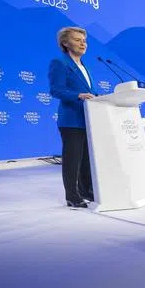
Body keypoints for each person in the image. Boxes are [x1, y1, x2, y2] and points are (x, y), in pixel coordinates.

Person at [48, 26, 97, 208]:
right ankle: (72, 196)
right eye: (77, 40)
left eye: (84, 40)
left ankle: (87, 192)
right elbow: (56, 90)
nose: (83, 43)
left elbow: (90, 91)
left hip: (89, 119)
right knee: (73, 159)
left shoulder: (84, 66)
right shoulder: (59, 62)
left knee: (86, 159)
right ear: (65, 43)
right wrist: (78, 95)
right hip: (71, 119)